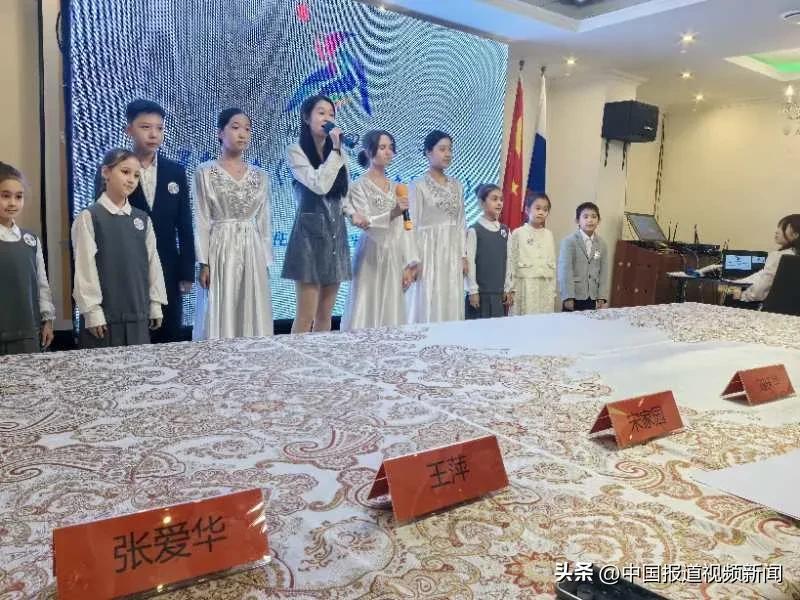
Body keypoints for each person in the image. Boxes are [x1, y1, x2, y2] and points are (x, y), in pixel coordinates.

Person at [94, 99, 195, 343]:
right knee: (132, 335)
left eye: (159, 128)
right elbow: (101, 219)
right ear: (129, 130)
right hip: (126, 266)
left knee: (169, 335)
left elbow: (184, 224)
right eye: (145, 127)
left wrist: (186, 270)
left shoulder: (175, 171)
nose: (153, 134)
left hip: (168, 267)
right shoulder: (114, 169)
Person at [74, 149, 167, 348]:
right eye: (125, 172)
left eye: (136, 175)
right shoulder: (90, 217)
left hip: (138, 316)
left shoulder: (142, 219)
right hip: (103, 321)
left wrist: (155, 303)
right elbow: (85, 268)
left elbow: (153, 263)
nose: (131, 180)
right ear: (106, 172)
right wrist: (92, 311)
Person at [193, 109, 273, 339]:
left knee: (251, 305)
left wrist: (266, 260)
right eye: (235, 127)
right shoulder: (205, 172)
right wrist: (203, 262)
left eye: (247, 129)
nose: (242, 134)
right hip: (220, 244)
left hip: (251, 247)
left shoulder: (261, 176)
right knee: (221, 304)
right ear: (220, 132)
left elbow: (265, 221)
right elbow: (201, 219)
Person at [282, 95, 355, 333]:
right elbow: (319, 184)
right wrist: (336, 151)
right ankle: (297, 356)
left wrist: (353, 215)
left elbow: (343, 194)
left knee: (325, 315)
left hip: (336, 234)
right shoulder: (295, 151)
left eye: (331, 114)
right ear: (307, 117)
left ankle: (323, 357)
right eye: (321, 113)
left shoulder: (339, 153)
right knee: (306, 316)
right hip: (309, 236)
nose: (327, 118)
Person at [341, 130, 419, 331]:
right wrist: (392, 213)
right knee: (366, 305)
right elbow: (364, 222)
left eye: (391, 148)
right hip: (370, 253)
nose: (388, 152)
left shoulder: (398, 187)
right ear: (369, 151)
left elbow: (405, 226)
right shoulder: (358, 186)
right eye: (382, 147)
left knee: (391, 310)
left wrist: (409, 263)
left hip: (394, 255)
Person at [407, 130, 467, 324]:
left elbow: (461, 222)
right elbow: (411, 224)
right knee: (427, 299)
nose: (448, 154)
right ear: (428, 152)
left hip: (452, 252)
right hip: (427, 253)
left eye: (450, 149)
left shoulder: (457, 185)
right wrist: (413, 260)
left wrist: (463, 255)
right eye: (442, 149)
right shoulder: (417, 185)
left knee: (450, 298)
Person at [0, 162, 55, 354]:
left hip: (28, 333)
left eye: (19, 196)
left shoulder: (31, 240)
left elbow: (42, 284)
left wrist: (47, 320)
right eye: (5, 196)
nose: (12, 203)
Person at [726, 214, 800, 308]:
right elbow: (762, 275)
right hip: (791, 310)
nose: (777, 231)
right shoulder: (794, 254)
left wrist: (742, 295)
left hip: (765, 307)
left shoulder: (778, 256)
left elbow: (760, 290)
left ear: (795, 235)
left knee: (727, 297)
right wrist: (739, 282)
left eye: (782, 228)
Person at [465, 183, 512, 319]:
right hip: (480, 296)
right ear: (482, 203)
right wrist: (472, 290)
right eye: (494, 199)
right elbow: (470, 262)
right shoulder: (474, 230)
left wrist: (507, 288)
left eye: (501, 199)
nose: (499, 203)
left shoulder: (505, 231)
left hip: (498, 295)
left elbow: (508, 260)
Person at [557, 201, 609, 312]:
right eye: (585, 217)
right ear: (577, 221)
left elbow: (603, 272)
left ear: (599, 220)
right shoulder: (569, 242)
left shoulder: (602, 244)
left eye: (594, 217)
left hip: (593, 297)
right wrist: (568, 297)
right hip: (574, 296)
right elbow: (565, 271)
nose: (590, 220)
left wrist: (602, 296)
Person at [510, 192, 557, 315]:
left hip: (545, 286)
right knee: (526, 319)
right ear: (527, 210)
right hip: (525, 285)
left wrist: (553, 290)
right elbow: (511, 262)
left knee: (544, 320)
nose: (541, 212)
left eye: (545, 210)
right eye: (537, 208)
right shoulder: (518, 233)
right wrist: (511, 288)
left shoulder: (549, 234)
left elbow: (552, 263)